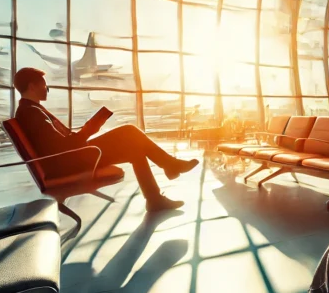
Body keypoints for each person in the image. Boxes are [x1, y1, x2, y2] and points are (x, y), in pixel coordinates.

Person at [12, 67, 197, 212]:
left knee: (135, 150)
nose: (47, 89)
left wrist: (86, 131)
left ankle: (155, 197)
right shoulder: (31, 113)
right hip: (70, 161)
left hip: (69, 158)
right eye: (45, 85)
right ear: (32, 86)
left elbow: (58, 143)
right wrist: (89, 129)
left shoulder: (30, 111)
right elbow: (62, 147)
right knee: (129, 131)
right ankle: (169, 165)